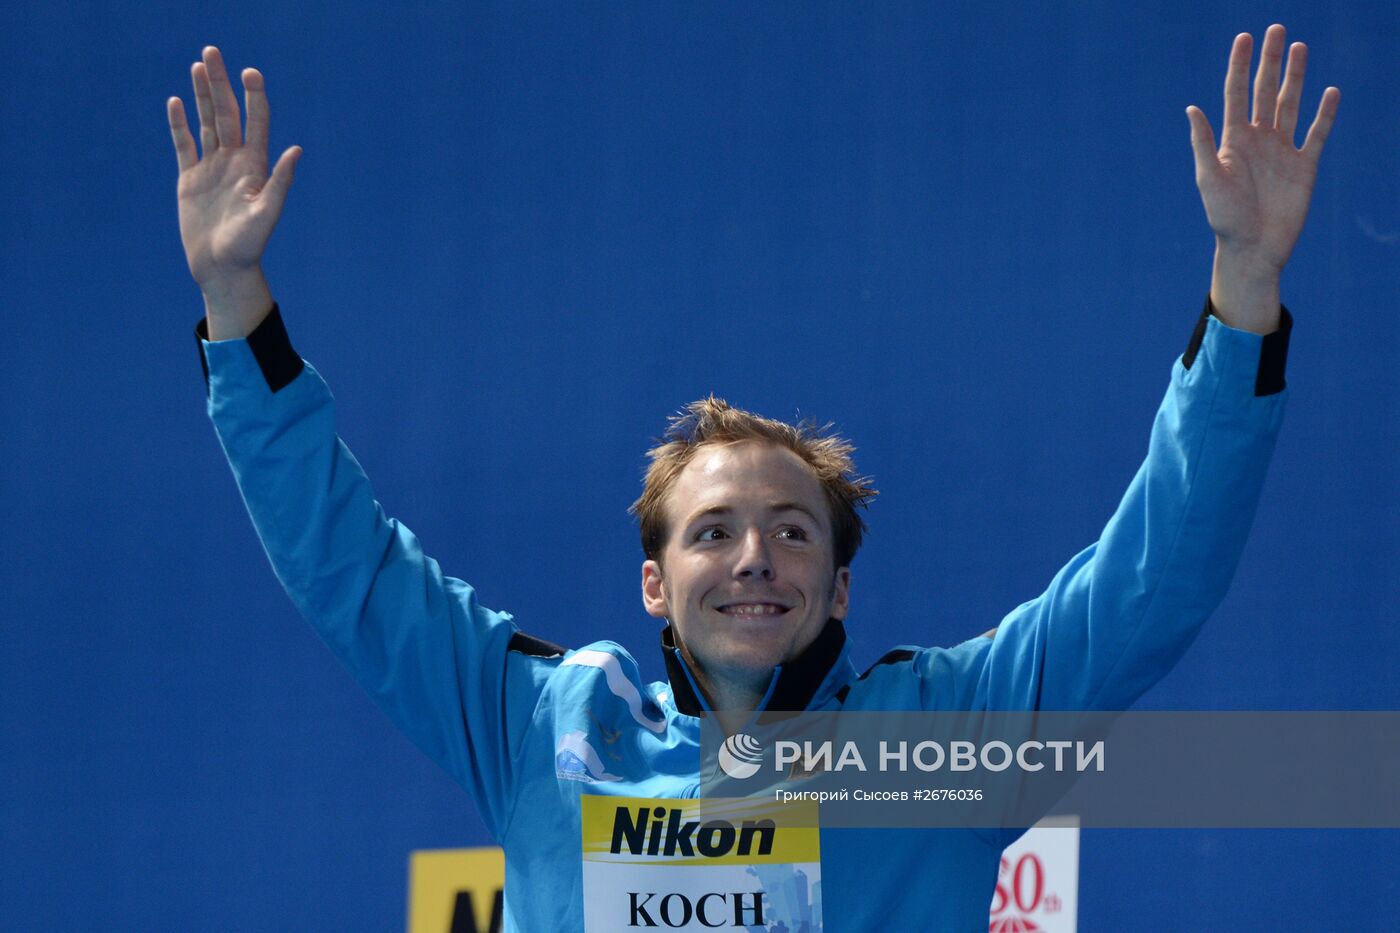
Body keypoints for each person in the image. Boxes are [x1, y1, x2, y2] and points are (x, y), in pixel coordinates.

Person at [170, 25, 1338, 930]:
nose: (752, 559)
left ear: (838, 587)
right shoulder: (543, 729)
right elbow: (346, 567)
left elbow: (1154, 577)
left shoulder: (940, 747)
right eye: (711, 530)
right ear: (651, 581)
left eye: (791, 530)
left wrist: (1242, 285)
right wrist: (233, 301)